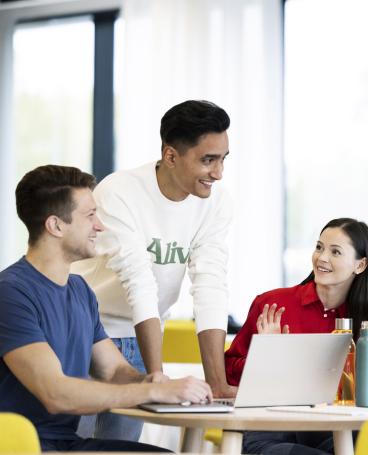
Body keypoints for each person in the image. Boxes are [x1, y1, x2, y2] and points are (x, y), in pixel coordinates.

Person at [0, 165, 212, 452]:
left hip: (67, 444)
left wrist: (152, 380)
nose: (100, 225)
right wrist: (151, 391)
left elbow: (112, 371)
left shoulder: (80, 290)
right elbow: (55, 393)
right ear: (55, 225)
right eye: (89, 216)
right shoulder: (11, 292)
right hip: (26, 446)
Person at [72, 100, 234, 441]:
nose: (218, 173)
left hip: (138, 338)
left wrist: (217, 383)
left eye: (223, 159)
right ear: (171, 155)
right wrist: (157, 378)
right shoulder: (120, 191)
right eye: (208, 160)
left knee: (121, 448)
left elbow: (210, 285)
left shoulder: (216, 203)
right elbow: (139, 280)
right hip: (88, 334)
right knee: (74, 446)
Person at [225, 218, 368, 455]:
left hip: (334, 429)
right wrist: (267, 353)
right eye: (319, 247)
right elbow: (229, 370)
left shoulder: (363, 324)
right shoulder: (272, 304)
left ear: (360, 265)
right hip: (271, 427)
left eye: (335, 252)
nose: (322, 258)